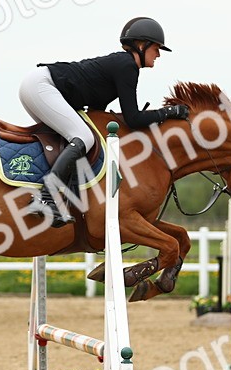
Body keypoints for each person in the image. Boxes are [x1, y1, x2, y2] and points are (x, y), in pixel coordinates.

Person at [18, 16, 189, 227]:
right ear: (142, 45)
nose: (159, 55)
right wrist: (169, 112)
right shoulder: (127, 66)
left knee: (81, 137)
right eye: (156, 48)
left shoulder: (121, 65)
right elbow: (133, 118)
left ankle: (69, 200)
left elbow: (98, 114)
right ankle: (46, 197)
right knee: (83, 137)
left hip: (39, 86)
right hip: (42, 86)